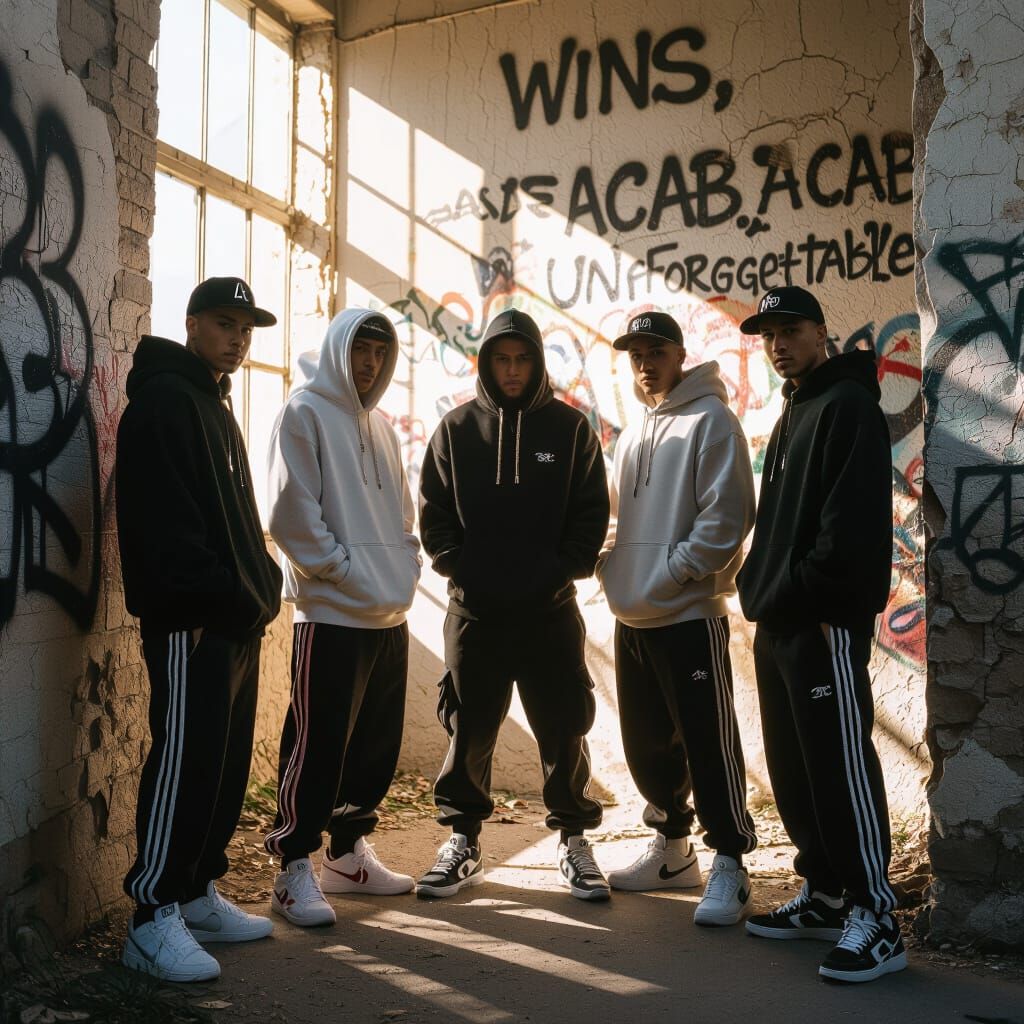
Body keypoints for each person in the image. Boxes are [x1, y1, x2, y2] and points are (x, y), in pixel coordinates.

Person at [116, 276, 284, 982]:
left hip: (231, 621)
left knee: (220, 764)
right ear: (191, 324)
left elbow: (238, 522)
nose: (238, 338)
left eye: (246, 328)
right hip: (192, 623)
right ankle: (151, 915)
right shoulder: (163, 401)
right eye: (224, 323)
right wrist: (218, 598)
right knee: (183, 763)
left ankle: (194, 893)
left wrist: (259, 588)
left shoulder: (214, 402)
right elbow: (167, 527)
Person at [736, 285, 905, 983]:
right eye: (768, 335)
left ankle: (877, 917)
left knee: (839, 766)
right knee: (796, 768)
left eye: (790, 330)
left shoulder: (848, 406)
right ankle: (828, 895)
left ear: (819, 331)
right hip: (780, 618)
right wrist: (764, 589)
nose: (778, 344)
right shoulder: (797, 406)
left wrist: (800, 590)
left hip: (822, 619)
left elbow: (848, 528)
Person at [416, 308, 610, 900]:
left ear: (538, 362)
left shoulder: (570, 430)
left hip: (550, 612)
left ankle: (573, 841)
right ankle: (463, 841)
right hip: (475, 614)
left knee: (563, 728)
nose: (512, 370)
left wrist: (555, 572)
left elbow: (590, 516)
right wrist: (464, 569)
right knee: (468, 728)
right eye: (501, 359)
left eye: (523, 358)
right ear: (486, 363)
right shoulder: (455, 430)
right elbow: (434, 516)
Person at [597, 310, 758, 926]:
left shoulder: (712, 421)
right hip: (634, 616)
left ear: (679, 355)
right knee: (646, 744)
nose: (645, 364)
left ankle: (730, 860)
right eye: (635, 354)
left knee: (708, 740)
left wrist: (671, 574)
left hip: (689, 614)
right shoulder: (633, 433)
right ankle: (672, 850)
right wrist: (615, 571)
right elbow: (615, 521)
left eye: (655, 352)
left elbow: (727, 518)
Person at [264, 310, 420, 926]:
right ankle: (292, 867)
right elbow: (289, 514)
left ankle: (347, 855)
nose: (370, 364)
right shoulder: (302, 413)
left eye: (380, 353)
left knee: (373, 747)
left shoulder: (381, 427)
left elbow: (403, 519)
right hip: (330, 613)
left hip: (388, 614)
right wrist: (345, 572)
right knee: (317, 743)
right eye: (361, 350)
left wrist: (402, 571)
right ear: (338, 350)